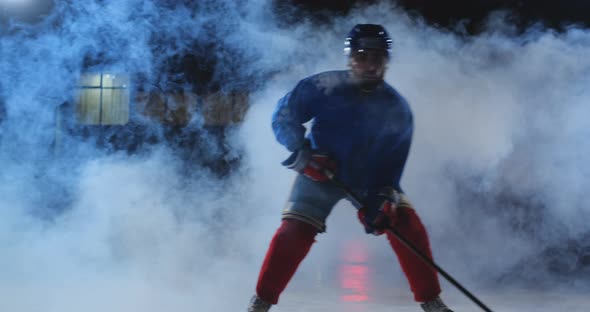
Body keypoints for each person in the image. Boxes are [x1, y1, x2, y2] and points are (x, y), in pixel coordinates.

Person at [248, 24, 453, 312]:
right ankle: (261, 302)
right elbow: (284, 116)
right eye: (362, 56)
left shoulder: (397, 108)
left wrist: (383, 198)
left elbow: (392, 165)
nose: (369, 65)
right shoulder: (322, 86)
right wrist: (303, 152)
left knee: (408, 229)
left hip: (370, 179)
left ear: (386, 61)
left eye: (377, 58)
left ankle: (431, 301)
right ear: (350, 58)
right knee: (291, 233)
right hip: (319, 172)